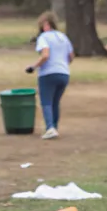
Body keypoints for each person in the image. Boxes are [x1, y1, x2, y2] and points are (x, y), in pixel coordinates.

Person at [26, 11, 74, 140]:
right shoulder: (63, 37)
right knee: (55, 102)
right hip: (64, 73)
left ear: (46, 24)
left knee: (46, 101)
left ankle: (50, 128)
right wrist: (62, 64)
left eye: (41, 25)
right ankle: (54, 127)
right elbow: (71, 56)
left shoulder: (44, 37)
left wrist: (33, 67)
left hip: (48, 73)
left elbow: (45, 55)